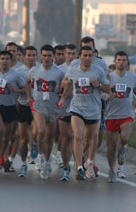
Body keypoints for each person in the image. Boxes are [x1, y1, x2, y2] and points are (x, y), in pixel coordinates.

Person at [59, 46, 110, 180]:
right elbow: (69, 83)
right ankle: (80, 167)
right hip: (77, 108)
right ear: (79, 57)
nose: (87, 58)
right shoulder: (73, 69)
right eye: (85, 55)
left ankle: (82, 157)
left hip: (93, 110)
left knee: (88, 140)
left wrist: (98, 85)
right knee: (77, 136)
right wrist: (64, 98)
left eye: (90, 55)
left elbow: (108, 89)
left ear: (93, 57)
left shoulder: (98, 71)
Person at [105, 51, 136, 183]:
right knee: (110, 147)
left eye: (124, 60)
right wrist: (107, 96)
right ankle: (111, 170)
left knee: (125, 138)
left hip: (126, 114)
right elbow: (101, 92)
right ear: (115, 61)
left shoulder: (132, 78)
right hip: (111, 115)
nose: (121, 62)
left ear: (127, 62)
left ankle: (122, 150)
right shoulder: (108, 77)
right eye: (119, 60)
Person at [26, 44, 64, 180]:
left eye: (49, 56)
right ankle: (40, 156)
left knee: (49, 137)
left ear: (53, 57)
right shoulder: (34, 70)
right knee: (41, 131)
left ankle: (47, 162)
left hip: (53, 107)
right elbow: (27, 81)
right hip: (38, 105)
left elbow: (65, 89)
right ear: (40, 57)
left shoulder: (59, 73)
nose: (46, 58)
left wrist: (61, 91)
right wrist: (29, 96)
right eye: (44, 56)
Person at [0, 51, 26, 173]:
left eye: (7, 59)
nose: (4, 61)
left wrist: (15, 89)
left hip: (10, 107)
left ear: (11, 61)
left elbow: (26, 88)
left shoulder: (16, 75)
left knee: (7, 137)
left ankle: (3, 158)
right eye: (2, 58)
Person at [15, 46, 38, 177]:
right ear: (23, 57)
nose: (31, 58)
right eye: (28, 55)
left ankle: (34, 145)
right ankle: (23, 164)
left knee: (36, 131)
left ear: (37, 57)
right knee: (23, 138)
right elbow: (18, 87)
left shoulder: (40, 70)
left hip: (38, 106)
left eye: (33, 55)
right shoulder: (18, 72)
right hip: (23, 105)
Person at [57, 44, 78, 181]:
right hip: (64, 109)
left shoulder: (82, 69)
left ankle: (80, 162)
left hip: (79, 109)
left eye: (73, 54)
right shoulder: (59, 70)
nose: (70, 56)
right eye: (68, 53)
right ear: (64, 55)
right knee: (66, 138)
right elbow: (55, 90)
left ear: (78, 55)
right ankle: (66, 166)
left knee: (77, 137)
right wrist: (63, 94)